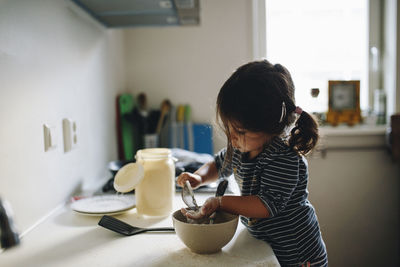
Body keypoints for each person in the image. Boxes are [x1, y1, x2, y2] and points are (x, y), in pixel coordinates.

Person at [177, 60, 328, 267]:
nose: (231, 137)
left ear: (270, 126)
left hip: (298, 255)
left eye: (239, 131)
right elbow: (219, 164)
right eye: (229, 128)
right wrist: (199, 178)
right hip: (265, 245)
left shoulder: (285, 159)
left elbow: (266, 205)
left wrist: (221, 202)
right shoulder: (241, 148)